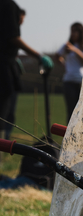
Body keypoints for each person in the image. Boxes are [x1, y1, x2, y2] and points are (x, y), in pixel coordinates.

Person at [0, 0, 53, 142]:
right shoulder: (8, 5)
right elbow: (13, 37)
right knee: (3, 114)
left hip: (7, 63)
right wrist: (38, 56)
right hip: (4, 69)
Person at [55, 22, 83, 123]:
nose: (73, 34)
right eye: (71, 31)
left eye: (75, 31)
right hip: (69, 81)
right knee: (71, 111)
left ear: (81, 32)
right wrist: (65, 65)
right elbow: (57, 55)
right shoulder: (68, 45)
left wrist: (75, 50)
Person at [4, 8, 26, 140]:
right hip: (5, 74)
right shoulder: (9, 32)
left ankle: (6, 136)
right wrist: (37, 55)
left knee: (11, 109)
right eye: (20, 19)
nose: (21, 22)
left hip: (12, 74)